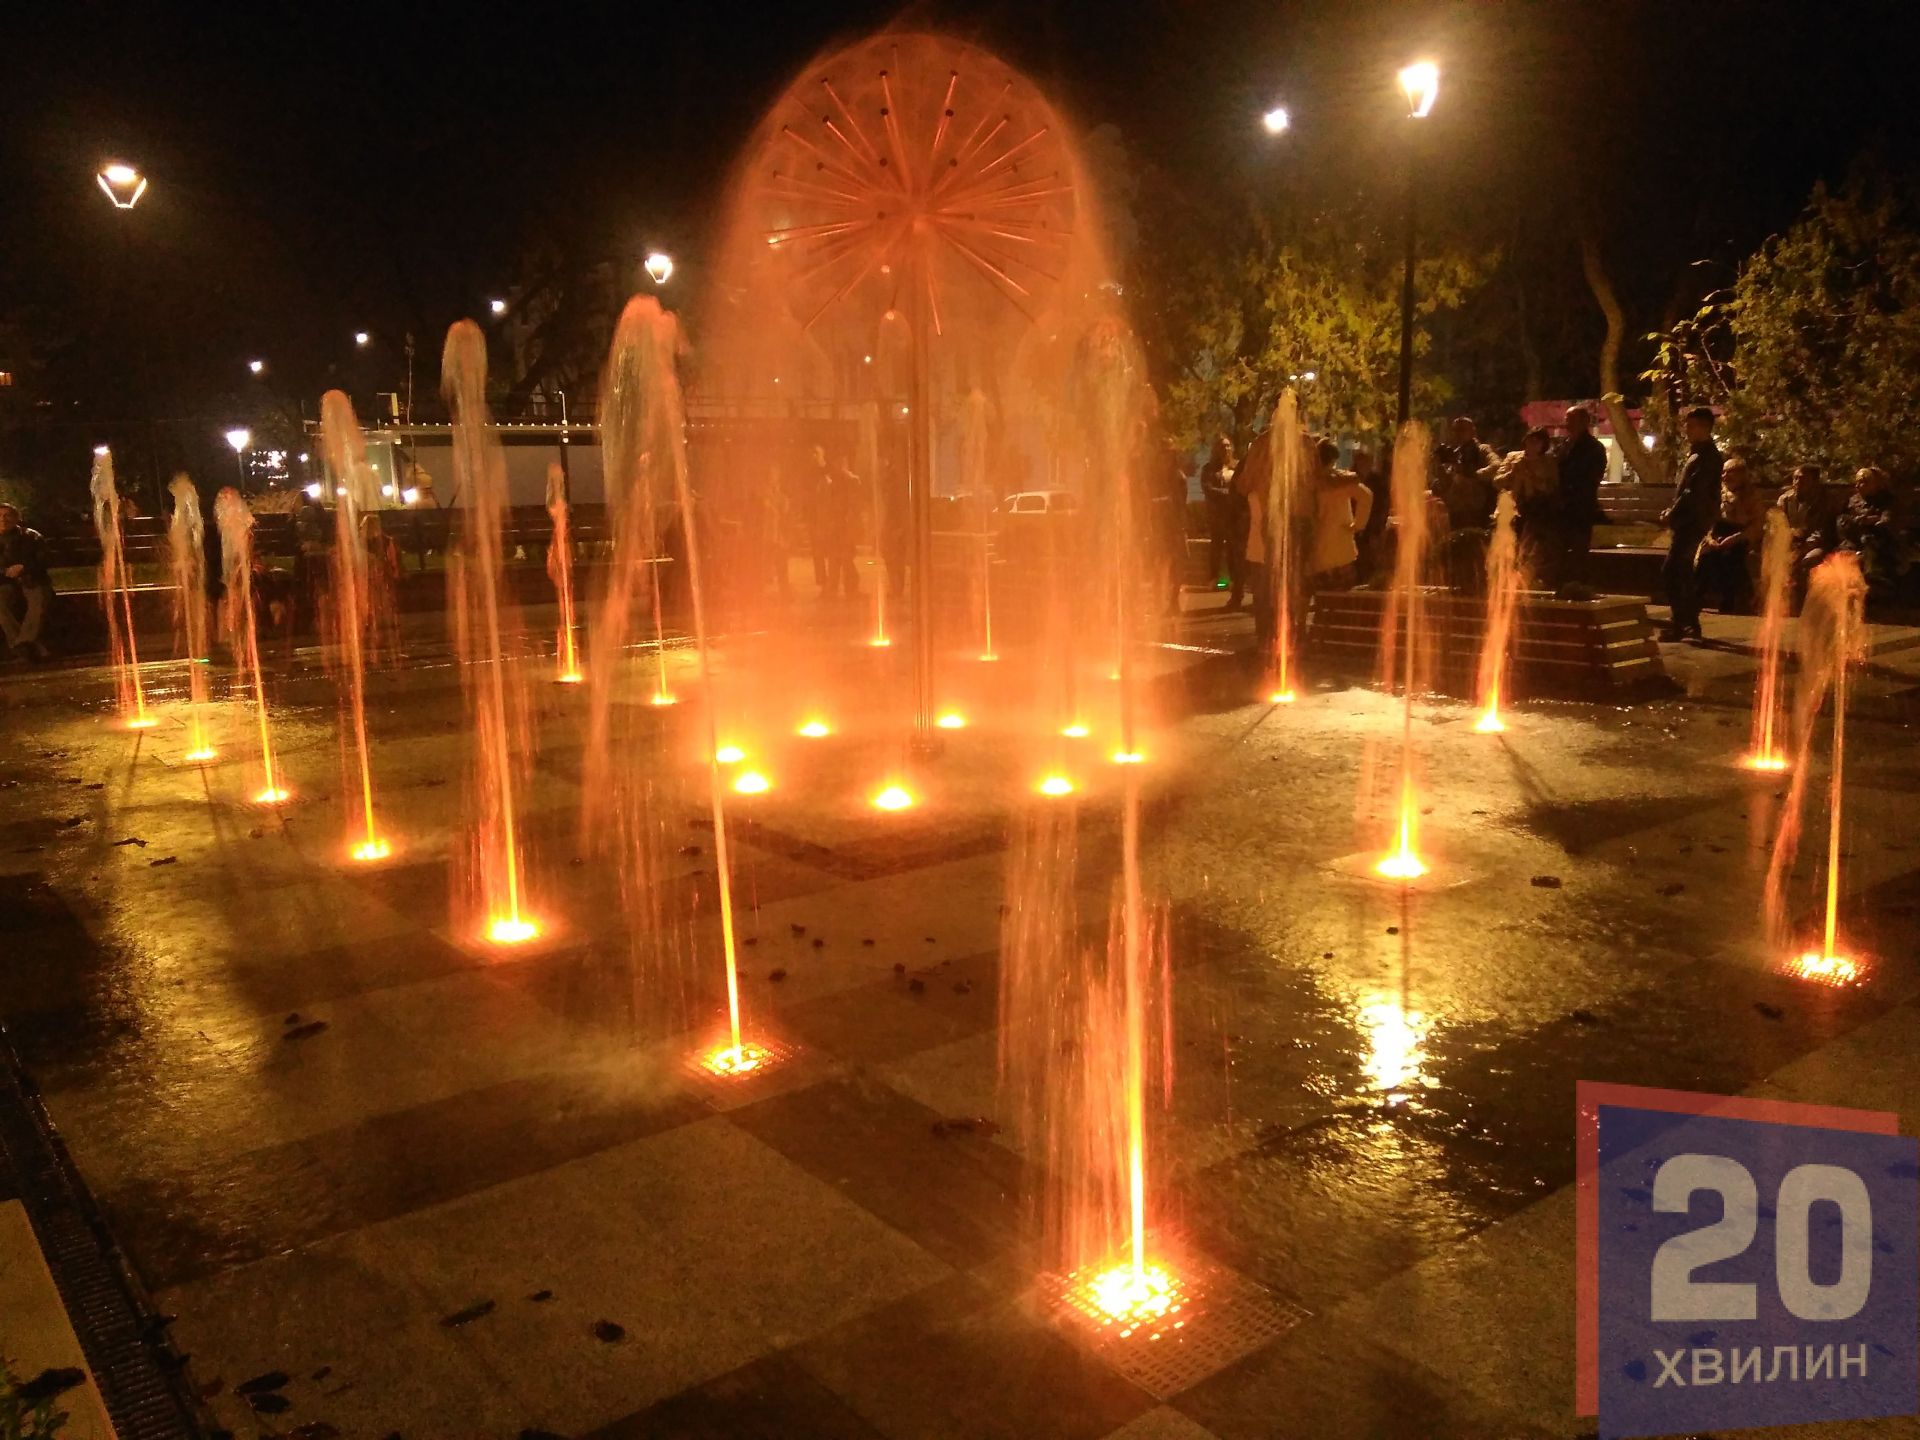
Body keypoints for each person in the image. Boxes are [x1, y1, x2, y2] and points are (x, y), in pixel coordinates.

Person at [1658, 406, 1723, 640]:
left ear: (1704, 428)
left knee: (1673, 570)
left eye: (1691, 425)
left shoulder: (1707, 457)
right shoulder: (1699, 454)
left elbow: (1692, 492)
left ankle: (1682, 622)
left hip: (1692, 520)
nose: (1686, 430)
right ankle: (1688, 623)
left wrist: (1672, 512)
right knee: (1681, 571)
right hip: (1690, 519)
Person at [1694, 457, 1766, 613]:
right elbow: (1708, 520)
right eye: (1723, 472)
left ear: (1742, 475)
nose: (1725, 476)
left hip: (1740, 535)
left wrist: (1736, 538)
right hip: (1717, 533)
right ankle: (1695, 599)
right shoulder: (1717, 494)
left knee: (1731, 557)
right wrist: (1710, 539)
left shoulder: (1752, 496)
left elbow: (1757, 525)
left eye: (1730, 472)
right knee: (1707, 556)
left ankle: (1730, 602)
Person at [1549, 405, 1607, 590]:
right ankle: (1561, 583)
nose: (1567, 423)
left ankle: (1577, 584)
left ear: (1584, 422)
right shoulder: (1564, 445)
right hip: (1562, 506)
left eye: (1571, 419)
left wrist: (1570, 490)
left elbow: (1590, 477)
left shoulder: (1593, 448)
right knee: (1559, 547)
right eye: (1567, 419)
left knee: (1578, 547)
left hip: (1580, 506)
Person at [1308, 442, 1376, 593]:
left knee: (1321, 597)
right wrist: (1357, 525)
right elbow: (1366, 496)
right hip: (1342, 550)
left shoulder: (1309, 482)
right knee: (1341, 596)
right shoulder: (1342, 481)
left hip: (1317, 555)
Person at [0, 503, 56, 662]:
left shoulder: (31, 536)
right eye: (0, 516)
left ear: (16, 518)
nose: (3, 520)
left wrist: (24, 567)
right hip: (4, 582)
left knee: (38, 601)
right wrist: (5, 571)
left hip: (32, 578)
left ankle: (21, 644)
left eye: (7, 515)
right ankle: (28, 645)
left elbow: (45, 559)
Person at [1777, 463, 1839, 587]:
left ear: (1814, 482)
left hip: (1816, 545)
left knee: (1808, 561)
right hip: (1790, 543)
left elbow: (1822, 531)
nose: (1797, 482)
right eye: (1795, 478)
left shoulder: (1824, 501)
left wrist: (1803, 548)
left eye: (1802, 479)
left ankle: (1802, 595)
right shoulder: (1785, 499)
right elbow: (1779, 524)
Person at [1200, 435, 1240, 603]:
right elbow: (1207, 488)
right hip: (1217, 515)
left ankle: (1234, 580)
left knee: (1232, 548)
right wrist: (1227, 494)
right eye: (1223, 446)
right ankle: (1213, 578)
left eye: (1228, 446)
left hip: (1233, 516)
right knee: (1216, 546)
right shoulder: (1209, 469)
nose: (1226, 449)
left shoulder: (1236, 466)